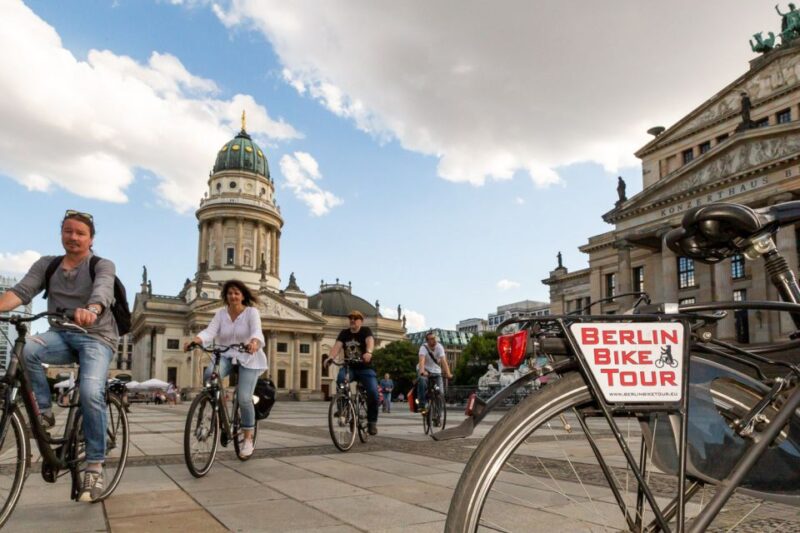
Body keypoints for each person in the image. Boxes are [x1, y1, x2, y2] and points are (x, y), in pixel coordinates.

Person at [0, 210, 117, 502]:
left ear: (91, 239)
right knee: (26, 349)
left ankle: (94, 465)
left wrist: (92, 309)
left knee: (91, 391)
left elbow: (103, 291)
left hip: (96, 336)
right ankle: (44, 410)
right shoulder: (47, 265)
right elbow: (21, 291)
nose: (73, 237)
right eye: (68, 231)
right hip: (61, 334)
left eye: (80, 233)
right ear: (61, 233)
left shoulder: (101, 265)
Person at [186, 279, 266, 458]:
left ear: (243, 295)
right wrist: (196, 340)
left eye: (237, 293)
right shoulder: (221, 314)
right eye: (230, 293)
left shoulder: (252, 312)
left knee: (245, 398)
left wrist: (254, 342)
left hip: (248, 357)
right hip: (226, 355)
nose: (233, 296)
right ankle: (219, 409)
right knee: (209, 376)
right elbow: (209, 331)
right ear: (226, 296)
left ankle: (247, 438)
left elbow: (257, 331)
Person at [324, 310, 379, 435]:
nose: (352, 320)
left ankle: (372, 422)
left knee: (373, 392)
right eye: (350, 318)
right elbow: (337, 347)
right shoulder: (344, 333)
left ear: (361, 320)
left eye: (355, 318)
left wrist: (369, 352)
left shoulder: (366, 331)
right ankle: (343, 410)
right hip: (350, 367)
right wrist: (330, 357)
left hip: (365, 368)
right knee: (340, 379)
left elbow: (370, 341)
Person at [417, 331, 453, 415]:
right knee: (422, 380)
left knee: (440, 392)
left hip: (436, 371)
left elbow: (443, 361)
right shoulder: (423, 348)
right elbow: (421, 360)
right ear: (428, 341)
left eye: (435, 338)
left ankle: (438, 416)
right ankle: (422, 405)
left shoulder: (439, 347)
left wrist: (448, 373)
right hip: (425, 370)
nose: (435, 340)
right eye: (432, 339)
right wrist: (422, 371)